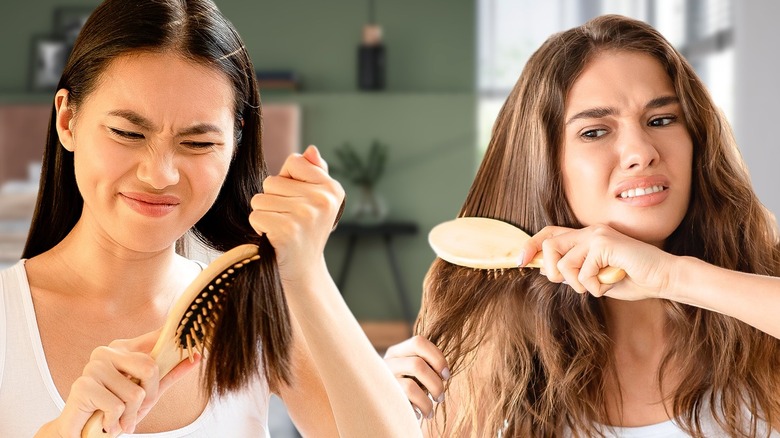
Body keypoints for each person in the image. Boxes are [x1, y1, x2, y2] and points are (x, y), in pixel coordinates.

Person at [0, 0, 420, 437]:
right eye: (127, 133)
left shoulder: (254, 308)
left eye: (198, 143)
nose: (158, 174)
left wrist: (307, 272)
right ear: (68, 120)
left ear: (235, 144)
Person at [384, 14, 780, 437]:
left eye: (661, 120)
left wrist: (673, 276)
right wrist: (387, 416)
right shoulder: (489, 346)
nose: (640, 151)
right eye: (594, 131)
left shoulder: (761, 299)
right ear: (543, 165)